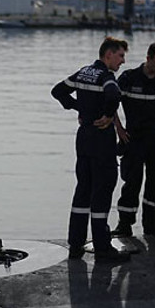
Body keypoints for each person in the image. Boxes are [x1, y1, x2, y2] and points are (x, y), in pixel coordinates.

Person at [52, 36, 131, 262]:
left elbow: (57, 91)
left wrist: (80, 107)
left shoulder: (82, 73)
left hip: (83, 137)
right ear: (108, 55)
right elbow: (114, 94)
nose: (122, 61)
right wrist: (107, 115)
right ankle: (102, 247)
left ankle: (75, 245)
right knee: (102, 191)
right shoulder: (106, 76)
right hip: (101, 139)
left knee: (83, 190)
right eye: (120, 56)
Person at [110, 42, 155, 239]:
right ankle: (124, 225)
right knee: (131, 183)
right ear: (148, 58)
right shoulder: (128, 78)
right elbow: (110, 103)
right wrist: (119, 129)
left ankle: (152, 227)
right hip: (133, 137)